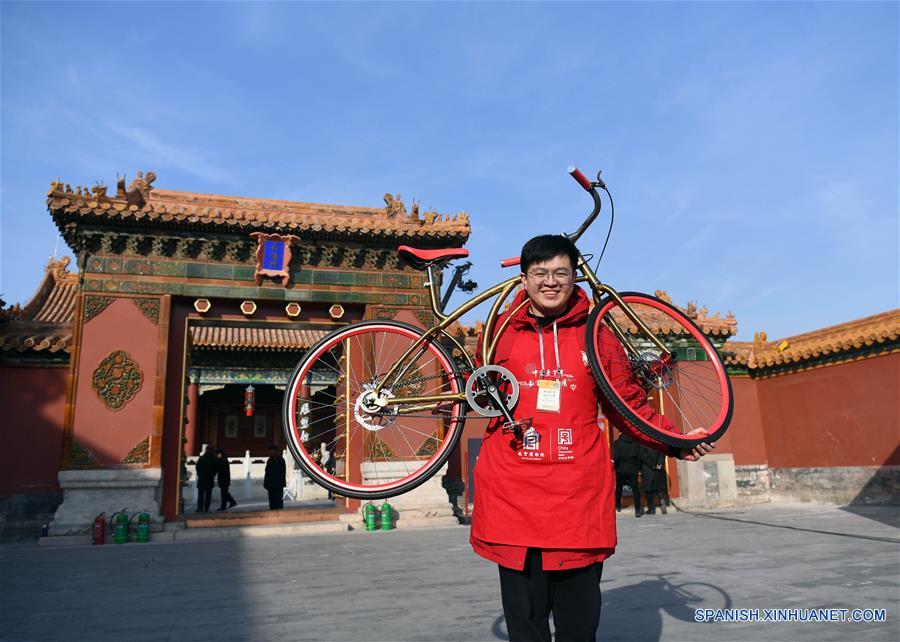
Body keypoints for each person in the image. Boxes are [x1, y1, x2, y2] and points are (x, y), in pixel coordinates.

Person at [470, 234, 716, 642]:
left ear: (574, 277)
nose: (551, 282)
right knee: (525, 627)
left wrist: (674, 441)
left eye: (560, 273)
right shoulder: (500, 332)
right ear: (524, 279)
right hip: (513, 494)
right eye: (540, 273)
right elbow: (476, 393)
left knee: (579, 626)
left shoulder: (597, 334)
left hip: (576, 497)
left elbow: (628, 402)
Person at [613, 432, 643, 517]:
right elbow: (639, 457)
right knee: (635, 490)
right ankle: (637, 509)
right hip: (632, 469)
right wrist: (638, 468)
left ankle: (618, 505)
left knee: (619, 488)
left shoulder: (618, 443)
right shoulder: (636, 443)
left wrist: (616, 467)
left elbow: (616, 457)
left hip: (621, 469)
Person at [640, 444, 669, 515]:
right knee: (658, 487)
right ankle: (662, 501)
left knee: (648, 489)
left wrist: (652, 465)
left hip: (648, 469)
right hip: (658, 469)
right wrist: (659, 464)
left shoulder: (643, 443)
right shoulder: (657, 441)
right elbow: (662, 454)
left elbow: (643, 455)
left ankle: (651, 508)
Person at [264, 445, 287, 510]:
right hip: (270, 485)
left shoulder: (281, 460)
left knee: (278, 501)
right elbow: (267, 473)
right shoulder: (269, 460)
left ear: (275, 451)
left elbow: (282, 473)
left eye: (271, 451)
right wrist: (266, 483)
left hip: (278, 484)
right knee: (272, 502)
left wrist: (281, 483)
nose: (270, 453)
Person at [194, 447, 217, 513]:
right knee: (208, 495)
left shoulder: (202, 458)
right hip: (209, 479)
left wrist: (200, 474)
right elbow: (216, 468)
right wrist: (213, 474)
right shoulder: (213, 459)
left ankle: (200, 508)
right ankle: (207, 508)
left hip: (202, 478)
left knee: (200, 495)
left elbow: (197, 467)